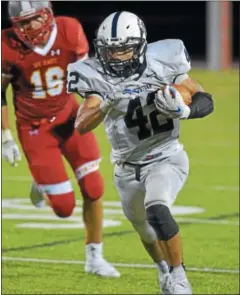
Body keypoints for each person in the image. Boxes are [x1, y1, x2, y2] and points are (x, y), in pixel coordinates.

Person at [67, 11, 214, 294]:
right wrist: (106, 103)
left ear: (141, 44)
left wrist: (183, 110)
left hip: (166, 156)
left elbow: (204, 99)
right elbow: (82, 125)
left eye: (124, 49)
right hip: (126, 166)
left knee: (157, 210)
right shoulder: (92, 74)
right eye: (111, 50)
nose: (118, 57)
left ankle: (179, 275)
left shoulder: (164, 60)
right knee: (145, 230)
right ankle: (163, 270)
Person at [1, 1, 120, 278]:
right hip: (34, 129)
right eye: (22, 23)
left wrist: (97, 107)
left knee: (94, 187)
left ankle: (95, 256)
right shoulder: (6, 45)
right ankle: (43, 180)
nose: (29, 27)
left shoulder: (69, 30)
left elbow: (86, 80)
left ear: (48, 15)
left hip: (69, 118)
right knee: (64, 209)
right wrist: (5, 137)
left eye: (34, 19)